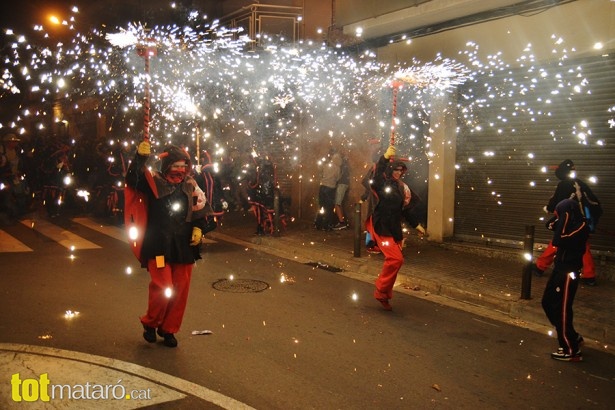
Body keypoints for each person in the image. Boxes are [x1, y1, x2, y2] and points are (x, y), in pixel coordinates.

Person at [125, 141, 211, 348]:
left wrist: (199, 228)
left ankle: (168, 329)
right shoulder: (153, 182)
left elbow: (201, 209)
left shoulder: (190, 184)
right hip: (158, 245)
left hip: (183, 246)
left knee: (180, 291)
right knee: (164, 287)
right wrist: (139, 158)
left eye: (184, 166)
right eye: (176, 166)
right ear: (167, 166)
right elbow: (133, 179)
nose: (181, 170)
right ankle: (151, 323)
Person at [365, 144, 425, 311]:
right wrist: (384, 157)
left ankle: (384, 294)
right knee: (395, 259)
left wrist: (416, 225)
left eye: (401, 170)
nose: (398, 172)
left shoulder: (402, 188)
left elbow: (404, 210)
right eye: (396, 170)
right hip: (382, 227)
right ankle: (380, 290)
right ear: (390, 170)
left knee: (397, 262)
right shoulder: (382, 183)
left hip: (394, 229)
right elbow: (376, 176)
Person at [531, 159, 602, 286]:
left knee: (557, 244)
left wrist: (548, 208)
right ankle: (589, 276)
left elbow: (556, 203)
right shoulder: (581, 184)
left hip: (568, 223)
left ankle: (540, 267)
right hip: (583, 224)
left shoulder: (563, 185)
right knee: (582, 247)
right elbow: (595, 204)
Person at [541, 198, 589, 362]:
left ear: (568, 214)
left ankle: (570, 349)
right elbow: (548, 225)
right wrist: (559, 215)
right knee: (547, 302)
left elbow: (559, 239)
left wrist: (564, 216)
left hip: (569, 272)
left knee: (561, 308)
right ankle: (572, 336)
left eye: (561, 214)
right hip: (559, 268)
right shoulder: (567, 221)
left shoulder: (581, 226)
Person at [314, 150, 341, 231]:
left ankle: (318, 224)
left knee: (321, 206)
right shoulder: (337, 168)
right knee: (329, 208)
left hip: (322, 188)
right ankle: (326, 225)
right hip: (330, 188)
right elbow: (337, 178)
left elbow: (321, 174)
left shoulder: (325, 166)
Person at [332, 151, 350, 230]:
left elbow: (339, 177)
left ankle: (342, 223)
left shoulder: (342, 166)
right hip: (343, 184)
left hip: (342, 184)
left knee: (337, 204)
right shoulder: (344, 165)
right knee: (338, 203)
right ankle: (341, 221)